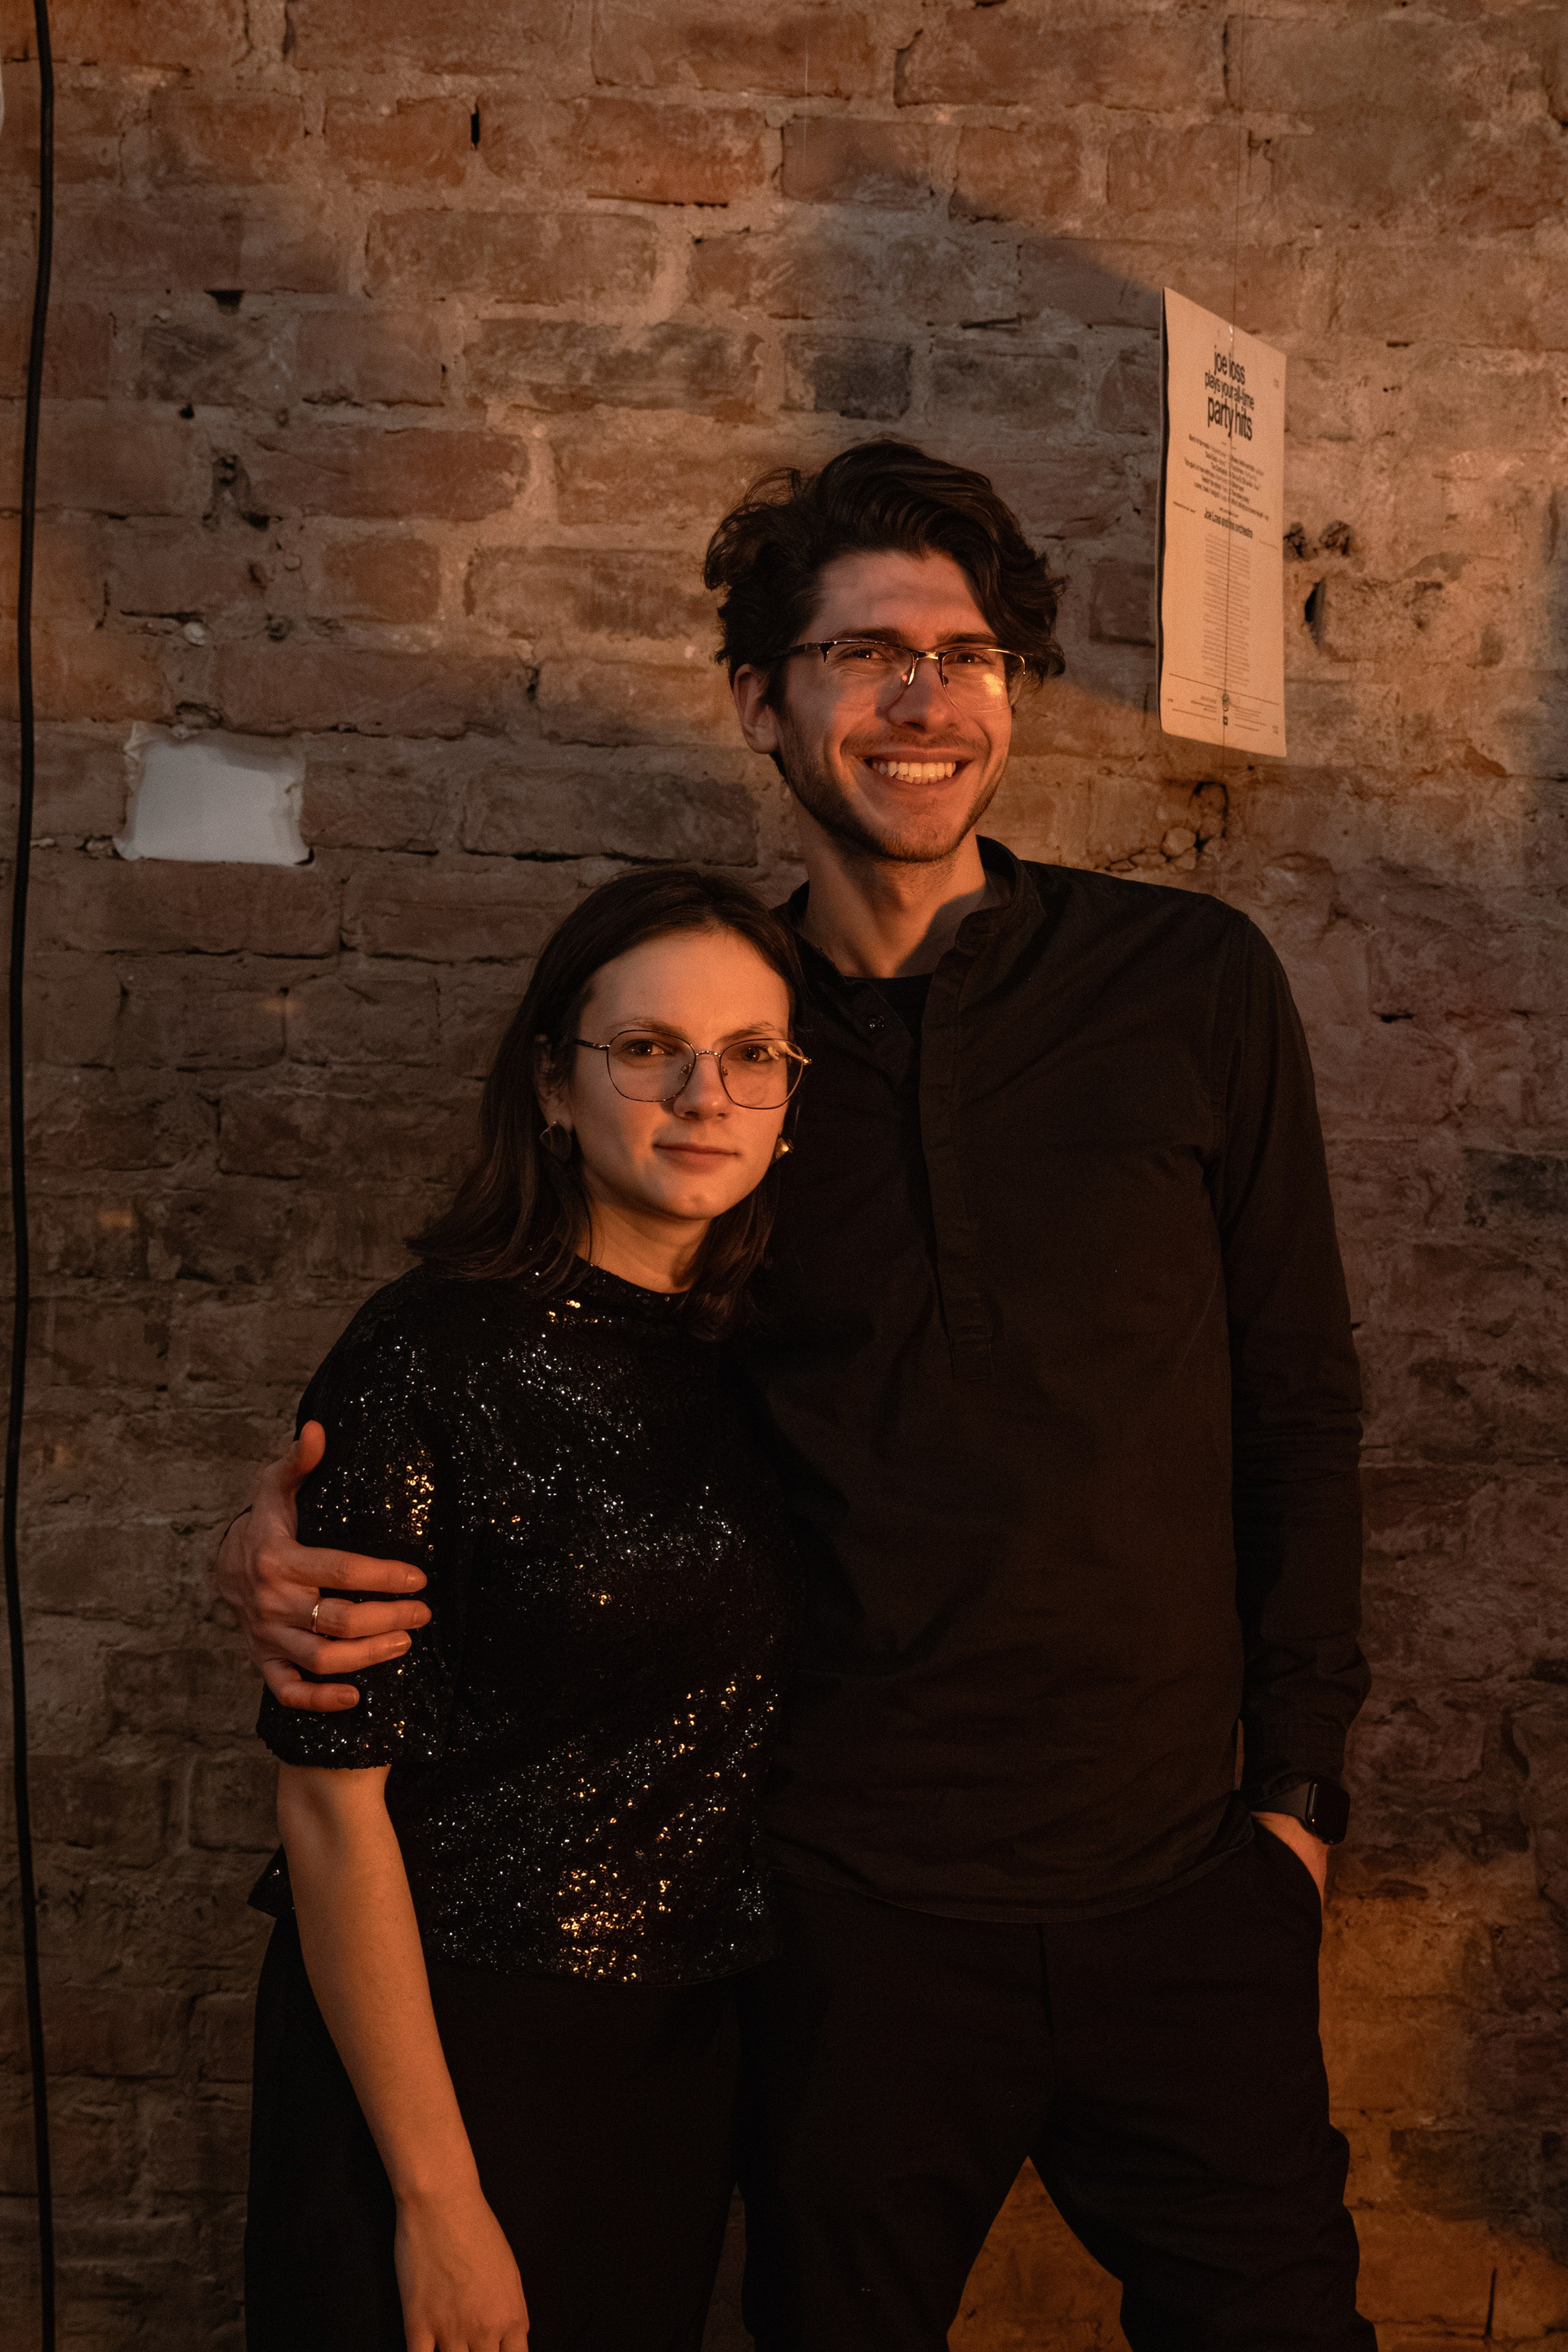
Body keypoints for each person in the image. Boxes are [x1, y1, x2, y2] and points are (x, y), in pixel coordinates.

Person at [220, 441, 1375, 2351]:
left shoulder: (1190, 982)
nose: (924, 700)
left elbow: (1302, 1408)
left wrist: (1299, 1806)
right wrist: (293, 1535)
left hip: (1185, 1888)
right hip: (844, 1921)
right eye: (862, 656)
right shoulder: (734, 1073)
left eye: (966, 654)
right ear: (762, 701)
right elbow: (572, 1397)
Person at [243, 867, 808, 2352]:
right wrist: (438, 2201)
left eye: (751, 1054)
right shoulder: (426, 1357)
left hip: (677, 2052)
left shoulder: (782, 1364)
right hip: (442, 2047)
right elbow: (329, 1806)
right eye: (648, 1049)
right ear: (554, 1085)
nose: (703, 1095)